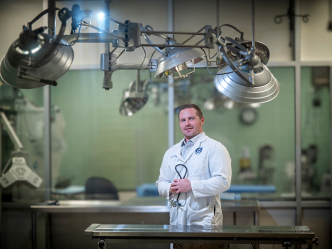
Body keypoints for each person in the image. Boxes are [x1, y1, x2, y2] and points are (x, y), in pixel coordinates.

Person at [156, 104, 232, 226]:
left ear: (201, 120)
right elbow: (161, 182)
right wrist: (170, 188)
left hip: (205, 222)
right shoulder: (171, 152)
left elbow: (223, 182)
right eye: (183, 120)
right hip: (177, 221)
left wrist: (191, 185)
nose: (187, 124)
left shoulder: (215, 148)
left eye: (191, 118)